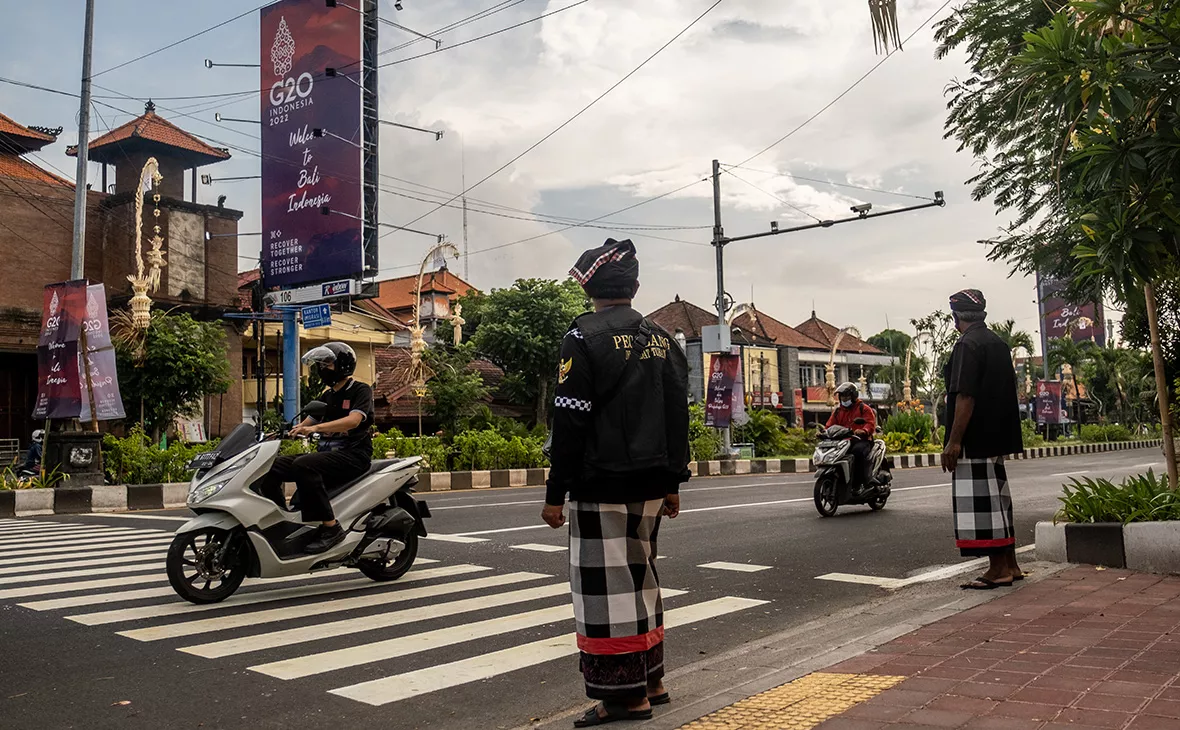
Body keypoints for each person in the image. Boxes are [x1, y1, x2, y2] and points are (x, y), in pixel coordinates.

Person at [542, 238, 690, 727]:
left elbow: (570, 421)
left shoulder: (582, 338)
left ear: (590, 290)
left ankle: (624, 699)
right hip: (651, 483)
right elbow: (677, 418)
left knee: (606, 592)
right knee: (643, 577)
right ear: (635, 287)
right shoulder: (662, 339)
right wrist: (673, 482)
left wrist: (554, 492)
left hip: (600, 482)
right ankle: (653, 681)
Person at [941, 289, 1025, 589]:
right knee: (1000, 500)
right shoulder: (997, 342)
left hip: (975, 438)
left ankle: (998, 570)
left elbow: (966, 394)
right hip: (997, 435)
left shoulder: (967, 344)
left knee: (983, 503)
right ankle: (1012, 565)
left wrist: (954, 441)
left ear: (955, 317)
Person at [259, 342, 374, 554]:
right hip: (329, 454)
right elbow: (308, 421)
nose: (322, 369)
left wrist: (317, 428)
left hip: (353, 454)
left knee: (305, 465)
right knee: (269, 466)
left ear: (342, 365)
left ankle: (331, 528)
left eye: (327, 364)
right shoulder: (327, 396)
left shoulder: (360, 390)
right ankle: (281, 519)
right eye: (320, 365)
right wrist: (286, 432)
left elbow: (353, 421)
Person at [826, 382, 877, 493]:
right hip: (843, 442)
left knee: (857, 453)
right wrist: (824, 433)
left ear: (853, 396)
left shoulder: (863, 408)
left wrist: (863, 430)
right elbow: (829, 426)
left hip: (862, 440)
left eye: (847, 396)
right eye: (842, 396)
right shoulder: (838, 411)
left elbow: (870, 423)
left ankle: (861, 483)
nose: (844, 399)